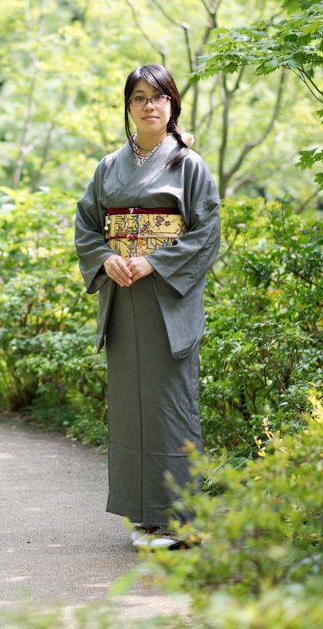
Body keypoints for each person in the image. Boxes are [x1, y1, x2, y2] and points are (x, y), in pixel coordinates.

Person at [73, 64, 220, 550]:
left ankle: (179, 521)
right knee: (130, 410)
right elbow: (87, 224)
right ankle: (142, 517)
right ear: (128, 107)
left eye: (158, 97)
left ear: (172, 103)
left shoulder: (189, 165)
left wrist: (154, 262)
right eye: (138, 97)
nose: (149, 105)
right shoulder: (108, 166)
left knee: (169, 407)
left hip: (165, 297)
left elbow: (206, 232)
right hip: (123, 295)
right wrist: (106, 258)